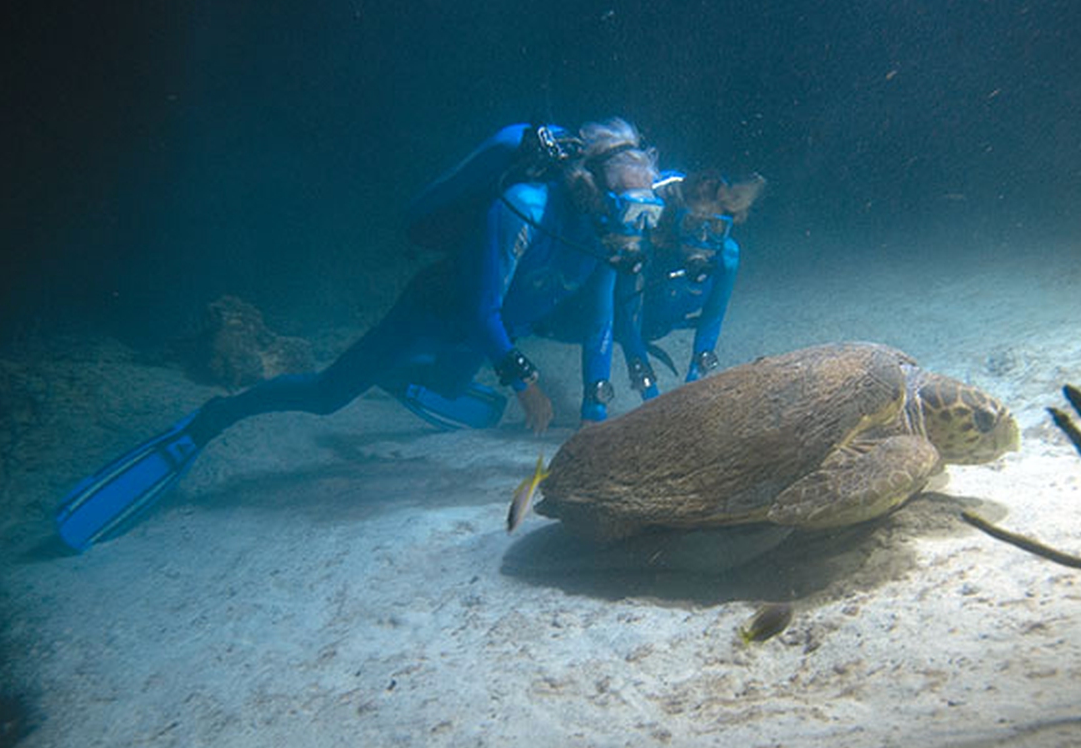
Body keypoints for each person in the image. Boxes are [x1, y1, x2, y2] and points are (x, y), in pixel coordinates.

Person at [54, 119, 663, 551]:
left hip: (485, 338)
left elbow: (602, 321)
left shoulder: (603, 235)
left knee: (451, 383)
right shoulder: (525, 206)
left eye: (647, 213)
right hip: (435, 313)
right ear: (596, 191)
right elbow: (483, 311)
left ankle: (401, 378)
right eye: (632, 211)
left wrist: (593, 407)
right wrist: (524, 377)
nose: (638, 229)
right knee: (327, 395)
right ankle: (212, 419)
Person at [541, 167, 764, 406]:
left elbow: (713, 315)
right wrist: (650, 393)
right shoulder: (646, 251)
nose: (702, 239)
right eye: (691, 225)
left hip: (657, 322)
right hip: (592, 320)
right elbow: (627, 318)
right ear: (675, 223)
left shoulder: (727, 258)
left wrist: (696, 379)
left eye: (716, 228)